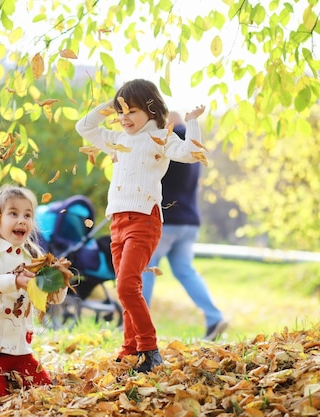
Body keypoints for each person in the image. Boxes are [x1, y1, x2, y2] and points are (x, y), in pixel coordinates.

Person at [75, 78, 206, 373]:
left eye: (131, 111)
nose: (124, 118)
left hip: (144, 221)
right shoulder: (118, 139)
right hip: (118, 223)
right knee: (126, 289)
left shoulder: (160, 136)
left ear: (150, 109)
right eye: (121, 112)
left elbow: (190, 153)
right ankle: (130, 348)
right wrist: (110, 106)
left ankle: (149, 348)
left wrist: (193, 123)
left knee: (126, 286)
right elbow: (84, 127)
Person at [0, 184, 67, 404]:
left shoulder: (33, 255)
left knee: (45, 394)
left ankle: (5, 377)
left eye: (28, 215)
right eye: (13, 213)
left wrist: (60, 283)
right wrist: (15, 280)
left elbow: (53, 299)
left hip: (18, 350)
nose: (22, 220)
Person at [141, 111, 228, 341]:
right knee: (185, 271)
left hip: (168, 219)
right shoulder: (191, 143)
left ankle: (138, 323)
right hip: (189, 220)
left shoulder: (170, 142)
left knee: (147, 268)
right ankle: (214, 317)